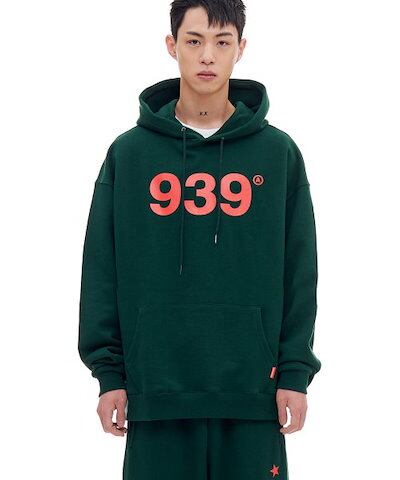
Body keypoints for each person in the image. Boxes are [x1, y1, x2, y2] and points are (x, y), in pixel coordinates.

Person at [78, 1, 322, 478]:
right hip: (155, 395)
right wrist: (109, 374)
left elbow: (300, 271)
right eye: (194, 41)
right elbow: (101, 268)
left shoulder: (278, 154)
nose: (207, 55)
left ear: (240, 49)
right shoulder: (129, 154)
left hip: (254, 395)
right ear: (172, 46)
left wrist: (295, 373)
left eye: (221, 41)